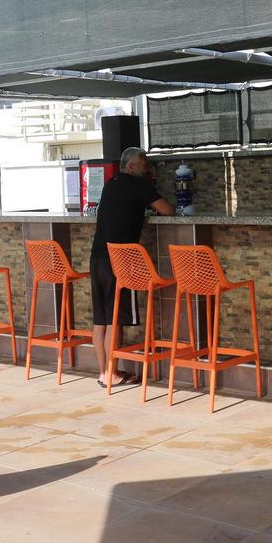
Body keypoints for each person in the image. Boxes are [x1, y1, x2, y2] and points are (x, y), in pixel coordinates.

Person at [90, 147, 174, 388]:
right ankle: (112, 373)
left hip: (97, 258)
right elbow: (167, 210)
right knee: (114, 320)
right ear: (131, 166)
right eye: (144, 164)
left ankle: (104, 373)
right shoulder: (138, 185)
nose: (147, 168)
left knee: (101, 320)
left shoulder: (110, 184)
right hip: (119, 261)